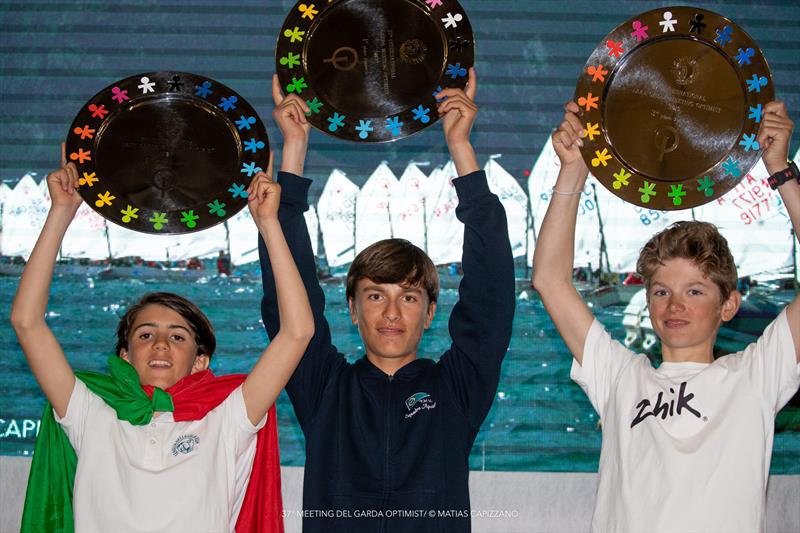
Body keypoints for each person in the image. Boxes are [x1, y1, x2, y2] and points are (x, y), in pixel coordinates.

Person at [259, 70, 515, 532]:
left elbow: (490, 295)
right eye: (375, 295)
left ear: (431, 312)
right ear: (354, 310)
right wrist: (294, 151)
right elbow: (287, 303)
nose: (392, 313)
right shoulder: (324, 389)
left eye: (409, 297)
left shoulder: (457, 389)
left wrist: (460, 146)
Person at [10, 147, 314, 532]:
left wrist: (268, 223)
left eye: (178, 337)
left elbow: (298, 332)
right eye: (146, 334)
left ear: (200, 361)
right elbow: (27, 322)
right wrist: (60, 214)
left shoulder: (226, 420)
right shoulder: (90, 414)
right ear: (125, 354)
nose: (160, 344)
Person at [532, 100, 800, 531]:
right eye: (661, 291)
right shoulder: (620, 375)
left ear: (728, 304)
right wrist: (572, 173)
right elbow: (549, 279)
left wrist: (780, 170)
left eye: (694, 291)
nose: (674, 305)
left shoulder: (755, 375)